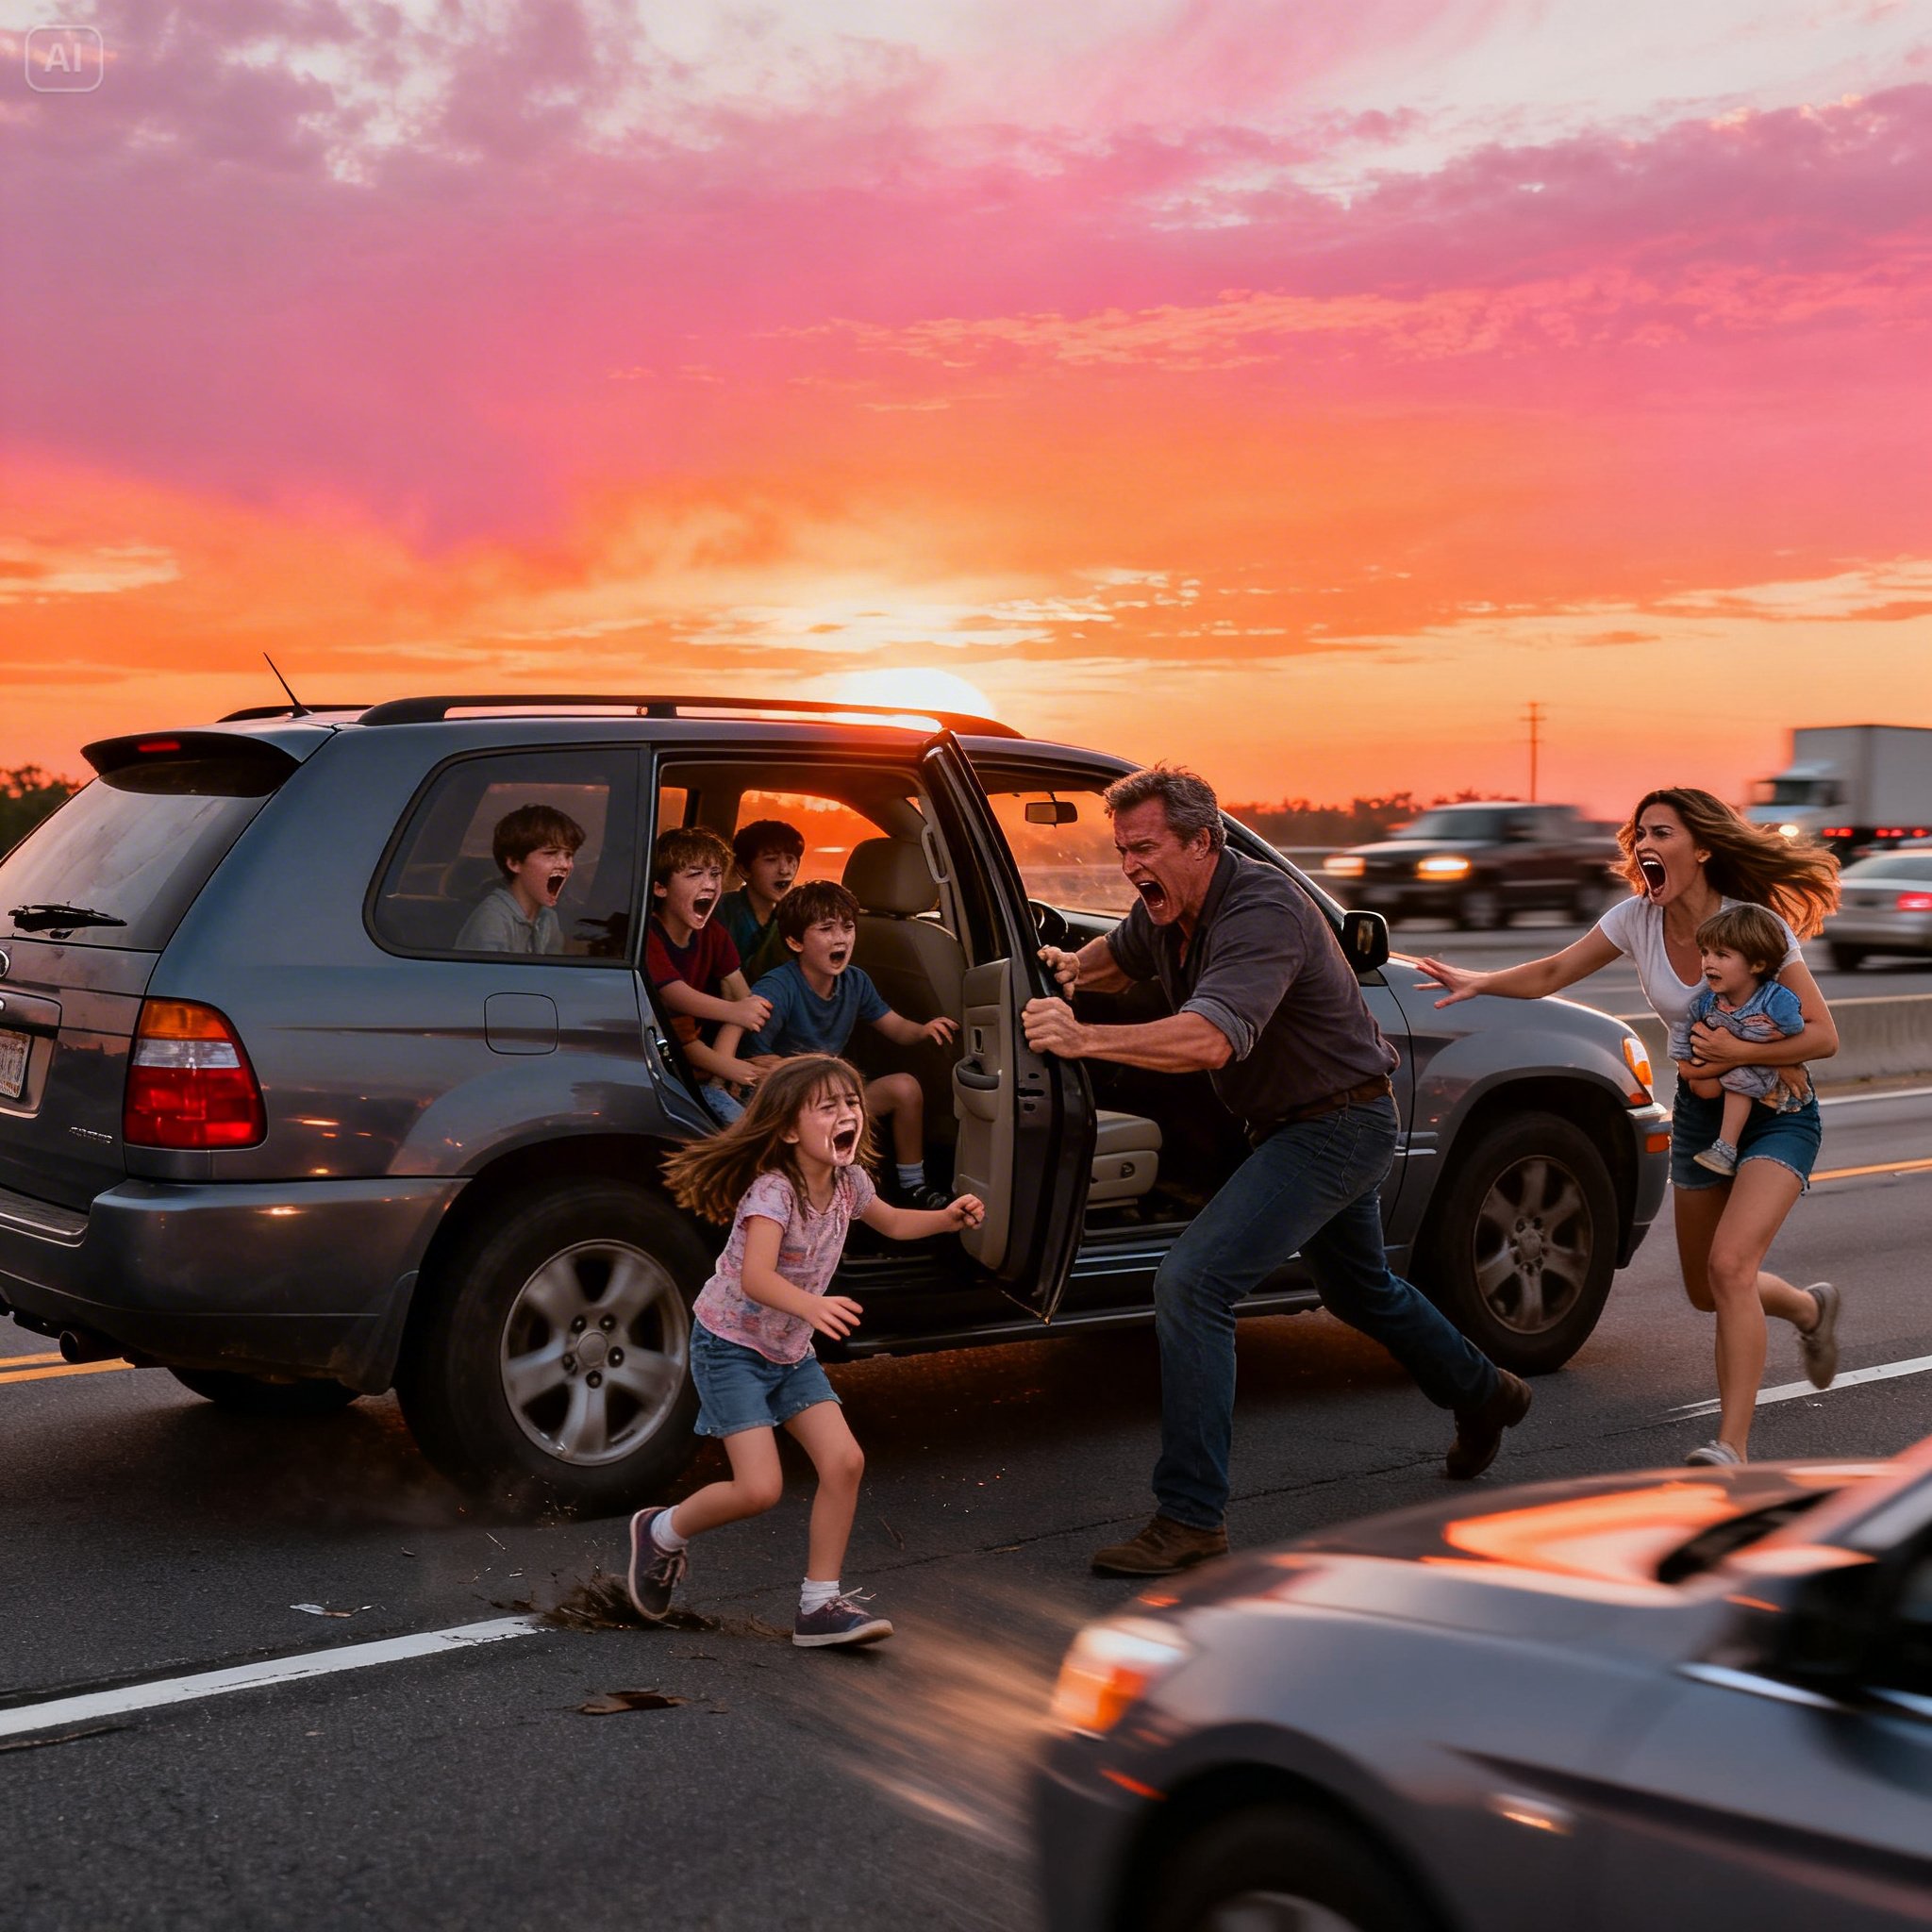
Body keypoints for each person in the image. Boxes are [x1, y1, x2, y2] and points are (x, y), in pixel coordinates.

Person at [1021, 765, 1525, 1579]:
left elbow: (1211, 1038)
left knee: (1193, 1283)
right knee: (1361, 1291)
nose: (1129, 865)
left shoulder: (1261, 911)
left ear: (1202, 843)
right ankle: (1488, 1394)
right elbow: (1121, 955)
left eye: (1144, 847)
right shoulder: (1171, 908)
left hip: (1337, 1126)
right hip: (1294, 1123)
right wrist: (1072, 970)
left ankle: (1190, 1517)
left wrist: (1081, 1038)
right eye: (1122, 850)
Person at [1419, 786, 1841, 1468]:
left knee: (1731, 1267)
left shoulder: (1752, 924)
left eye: (1662, 832)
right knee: (1708, 1288)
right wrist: (1478, 981)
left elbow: (1823, 1036)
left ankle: (1731, 1448)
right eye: (1640, 833)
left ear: (1701, 848)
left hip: (1777, 1113)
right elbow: (1555, 970)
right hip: (1702, 1116)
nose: (1645, 844)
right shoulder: (1636, 919)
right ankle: (1809, 1311)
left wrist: (1737, 1052)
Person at [629, 1055, 985, 1645]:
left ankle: (819, 1605)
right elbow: (755, 1278)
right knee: (758, 1489)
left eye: (852, 1102)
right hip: (731, 1347)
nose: (847, 1113)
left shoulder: (849, 1183)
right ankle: (662, 1531)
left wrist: (946, 1218)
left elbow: (895, 1223)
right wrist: (812, 1306)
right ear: (790, 1130)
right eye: (827, 1106)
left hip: (788, 1350)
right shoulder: (774, 1192)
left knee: (844, 1462)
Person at [747, 879, 959, 1208]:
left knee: (905, 1088)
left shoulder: (855, 981)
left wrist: (923, 1030)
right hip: (788, 1103)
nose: (841, 938)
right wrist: (811, 1077)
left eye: (847, 927)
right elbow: (753, 1059)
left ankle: (912, 1186)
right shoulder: (778, 987)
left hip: (832, 1095)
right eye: (826, 929)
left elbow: (894, 1026)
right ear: (794, 941)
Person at [644, 827, 773, 1125]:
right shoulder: (650, 935)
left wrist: (758, 1051)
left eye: (715, 874)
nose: (709, 884)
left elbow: (739, 991)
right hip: (663, 1066)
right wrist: (730, 1063)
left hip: (700, 1057)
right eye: (694, 875)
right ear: (660, 888)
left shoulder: (714, 934)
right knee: (740, 1125)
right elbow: (672, 995)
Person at [1672, 904, 1810, 1176]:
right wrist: (1721, 1053)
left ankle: (1726, 1148)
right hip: (1716, 1097)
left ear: (1757, 964)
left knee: (1738, 1079)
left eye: (1722, 954)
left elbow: (1795, 1028)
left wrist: (1750, 1047)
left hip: (1763, 1084)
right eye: (1705, 953)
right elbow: (1688, 1060)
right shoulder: (1705, 1005)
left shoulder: (1775, 999)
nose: (1708, 962)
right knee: (1708, 1082)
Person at [453, 804, 584, 954]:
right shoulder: (492, 921)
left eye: (568, 855)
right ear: (514, 863)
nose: (565, 865)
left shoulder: (547, 918)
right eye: (550, 854)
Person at [719, 819, 804, 984]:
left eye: (790, 859)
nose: (785, 870)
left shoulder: (800, 915)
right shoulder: (721, 913)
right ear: (744, 869)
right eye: (771, 860)